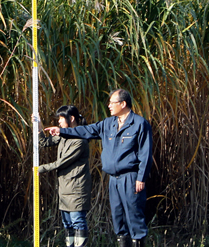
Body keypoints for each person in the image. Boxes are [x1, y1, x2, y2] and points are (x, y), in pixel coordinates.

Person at [45, 89, 153, 247]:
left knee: (134, 217)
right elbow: (86, 130)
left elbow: (145, 153)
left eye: (112, 103)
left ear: (123, 104)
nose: (109, 105)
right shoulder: (108, 124)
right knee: (118, 219)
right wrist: (62, 131)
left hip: (130, 179)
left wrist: (140, 178)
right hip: (113, 180)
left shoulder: (139, 124)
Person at [36, 105, 93, 247]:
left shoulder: (80, 140)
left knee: (77, 221)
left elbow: (62, 162)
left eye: (62, 118)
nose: (59, 122)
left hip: (76, 189)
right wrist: (39, 126)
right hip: (64, 189)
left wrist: (40, 169)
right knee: (67, 223)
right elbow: (44, 142)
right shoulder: (63, 136)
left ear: (71, 118)